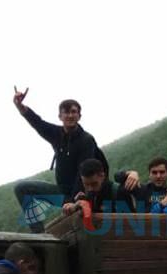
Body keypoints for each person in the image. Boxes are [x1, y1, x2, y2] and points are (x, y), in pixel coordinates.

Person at [12, 86, 108, 232]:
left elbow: (82, 174)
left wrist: (72, 200)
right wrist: (20, 106)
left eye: (73, 112)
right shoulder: (56, 134)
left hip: (80, 194)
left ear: (79, 116)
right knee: (22, 188)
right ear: (60, 116)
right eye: (66, 112)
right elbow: (38, 123)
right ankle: (39, 236)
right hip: (61, 193)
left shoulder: (86, 140)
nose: (70, 115)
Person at [62, 158, 129, 217]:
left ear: (102, 176)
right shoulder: (91, 195)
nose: (90, 188)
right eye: (86, 184)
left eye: (94, 184)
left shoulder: (119, 192)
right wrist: (76, 206)